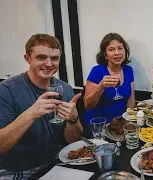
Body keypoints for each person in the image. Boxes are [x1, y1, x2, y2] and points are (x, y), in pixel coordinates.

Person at [0, 34, 83, 179]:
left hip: (56, 163)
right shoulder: (6, 90)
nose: (49, 64)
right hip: (18, 170)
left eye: (54, 58)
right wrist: (31, 113)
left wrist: (73, 119)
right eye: (41, 57)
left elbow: (74, 141)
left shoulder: (65, 89)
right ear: (28, 59)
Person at [84, 33, 135, 124]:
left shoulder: (128, 70)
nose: (117, 53)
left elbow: (131, 102)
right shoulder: (97, 71)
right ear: (105, 55)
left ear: (125, 51)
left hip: (120, 123)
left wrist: (130, 122)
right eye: (111, 49)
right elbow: (88, 105)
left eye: (120, 48)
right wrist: (101, 87)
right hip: (99, 125)